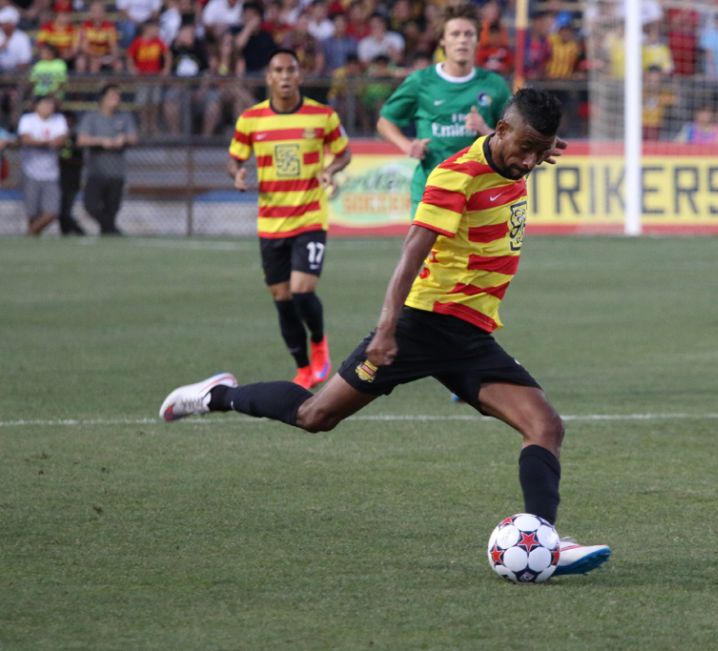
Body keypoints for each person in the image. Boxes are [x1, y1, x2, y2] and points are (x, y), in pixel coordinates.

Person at [159, 88, 612, 578]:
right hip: (421, 326)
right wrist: (387, 329)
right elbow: (410, 254)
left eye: (538, 150)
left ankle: (543, 538)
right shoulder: (456, 176)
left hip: (471, 336)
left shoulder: (519, 155)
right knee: (314, 415)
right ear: (500, 131)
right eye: (524, 147)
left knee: (545, 426)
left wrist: (538, 148)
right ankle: (216, 396)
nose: (529, 161)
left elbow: (527, 150)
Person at [227, 48, 352, 390]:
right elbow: (235, 159)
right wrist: (237, 174)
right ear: (268, 77)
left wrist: (329, 169)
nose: (284, 76)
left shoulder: (322, 116)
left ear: (299, 76)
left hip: (310, 216)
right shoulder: (251, 120)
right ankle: (302, 367)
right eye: (278, 70)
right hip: (270, 222)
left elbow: (344, 153)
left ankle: (319, 342)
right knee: (281, 297)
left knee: (302, 290)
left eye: (291, 70)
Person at [376, 3, 512, 219]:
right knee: (427, 254)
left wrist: (486, 129)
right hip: (431, 189)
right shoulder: (421, 81)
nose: (462, 40)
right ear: (442, 40)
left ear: (477, 40)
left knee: (476, 253)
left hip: (479, 191)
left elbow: (511, 136)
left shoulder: (494, 85)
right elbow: (385, 121)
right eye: (455, 34)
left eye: (469, 34)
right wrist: (408, 145)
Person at [77, 84, 139, 236]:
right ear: (102, 99)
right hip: (96, 170)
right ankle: (112, 230)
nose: (116, 100)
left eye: (118, 96)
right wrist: (103, 142)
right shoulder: (91, 117)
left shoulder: (124, 116)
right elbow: (82, 140)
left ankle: (108, 233)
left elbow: (134, 137)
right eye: (112, 96)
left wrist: (123, 139)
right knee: (91, 205)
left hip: (117, 171)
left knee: (112, 208)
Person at [17, 95, 68, 236]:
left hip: (51, 173)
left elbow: (62, 138)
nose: (49, 107)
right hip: (31, 171)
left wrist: (47, 142)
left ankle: (30, 233)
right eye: (45, 104)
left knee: (52, 212)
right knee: (32, 212)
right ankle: (33, 240)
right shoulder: (28, 119)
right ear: (36, 106)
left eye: (51, 104)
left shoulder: (59, 119)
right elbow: (26, 139)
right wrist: (45, 143)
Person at [57, 111, 86, 235]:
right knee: (58, 209)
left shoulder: (75, 138)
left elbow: (78, 158)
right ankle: (70, 231)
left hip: (71, 179)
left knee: (65, 209)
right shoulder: (56, 137)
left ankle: (74, 231)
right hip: (56, 178)